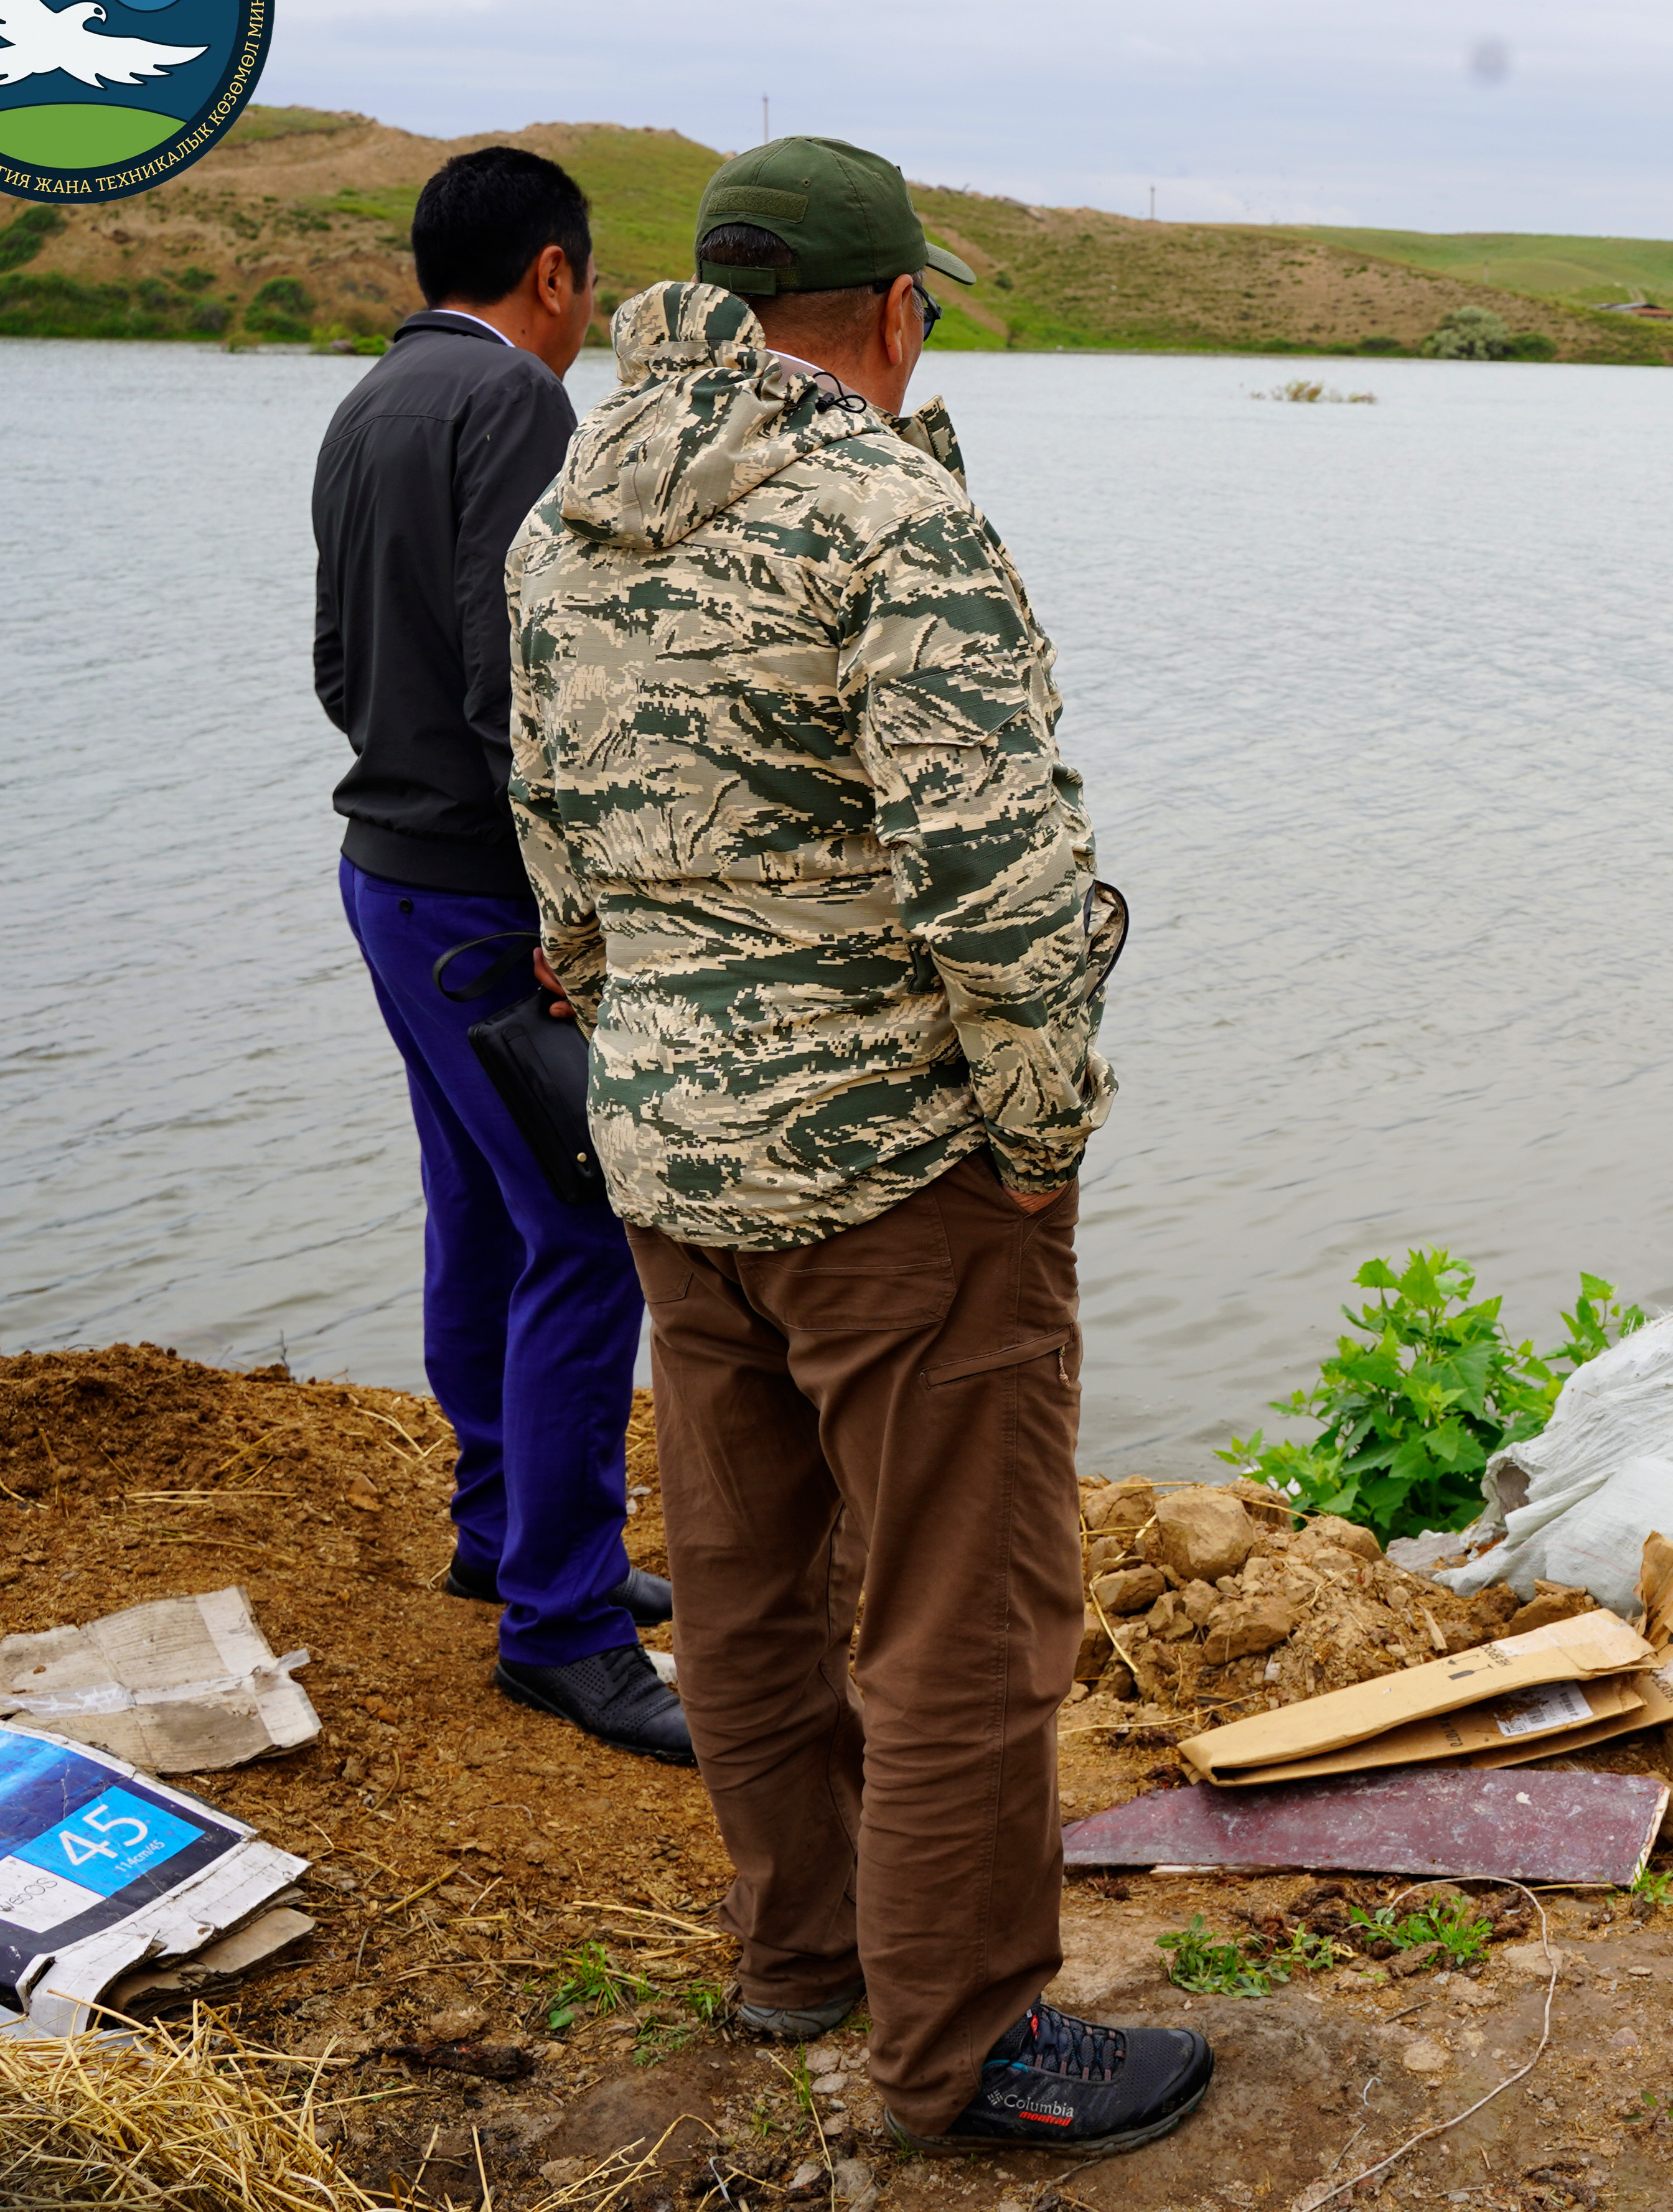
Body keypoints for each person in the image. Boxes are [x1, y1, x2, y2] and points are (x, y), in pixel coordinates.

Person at [502, 136, 1199, 2157]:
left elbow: (553, 842)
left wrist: (642, 1019)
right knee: (961, 1611)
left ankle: (800, 1955)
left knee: (742, 1570)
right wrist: (1044, 1129)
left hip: (669, 1148)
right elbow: (997, 877)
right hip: (902, 1171)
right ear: (898, 312)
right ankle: (965, 2048)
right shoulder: (891, 512)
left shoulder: (570, 511)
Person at [312, 144, 687, 1768]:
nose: (585, 317)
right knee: (589, 1231)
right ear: (555, 276)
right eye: (587, 289)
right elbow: (513, 675)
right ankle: (564, 1623)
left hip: (385, 874)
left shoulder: (366, 407)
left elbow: (342, 665)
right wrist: (564, 907)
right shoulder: (521, 408)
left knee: (476, 1205)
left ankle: (501, 1529)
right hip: (481, 899)